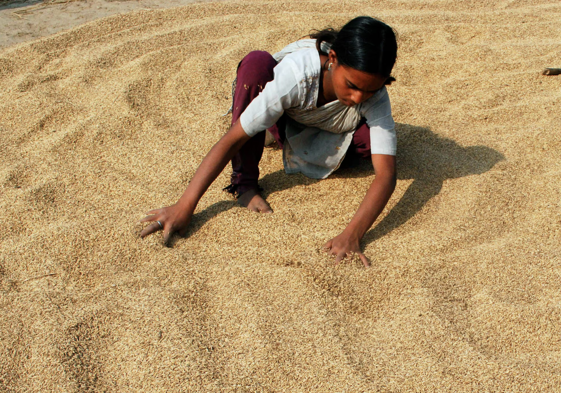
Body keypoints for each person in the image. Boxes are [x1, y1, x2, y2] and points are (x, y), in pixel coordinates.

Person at [139, 16, 398, 267]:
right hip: (285, 117)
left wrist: (352, 234)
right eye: (352, 85)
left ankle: (291, 140)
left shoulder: (373, 96)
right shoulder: (297, 74)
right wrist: (184, 205)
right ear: (333, 60)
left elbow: (386, 175)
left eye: (370, 90)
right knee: (256, 65)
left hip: (329, 128)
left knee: (373, 144)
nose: (358, 97)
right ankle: (245, 183)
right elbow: (233, 138)